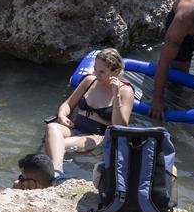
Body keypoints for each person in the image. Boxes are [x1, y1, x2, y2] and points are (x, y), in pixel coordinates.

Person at [44, 48, 134, 178]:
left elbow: (120, 126)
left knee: (57, 145)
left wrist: (117, 96)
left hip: (97, 136)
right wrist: (62, 115)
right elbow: (67, 104)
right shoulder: (89, 81)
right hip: (75, 128)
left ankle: (54, 173)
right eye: (95, 69)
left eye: (102, 72)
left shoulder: (125, 91)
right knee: (51, 127)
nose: (97, 74)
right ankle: (56, 172)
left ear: (116, 71)